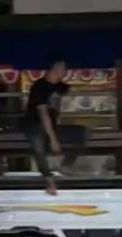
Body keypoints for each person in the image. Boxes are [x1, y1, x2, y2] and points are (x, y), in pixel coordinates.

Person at [24, 55, 87, 196]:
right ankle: (48, 180)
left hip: (51, 127)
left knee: (82, 132)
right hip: (35, 125)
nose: (66, 72)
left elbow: (74, 90)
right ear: (57, 68)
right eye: (64, 69)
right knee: (37, 141)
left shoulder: (58, 86)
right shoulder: (39, 87)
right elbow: (43, 114)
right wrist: (53, 139)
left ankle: (65, 165)